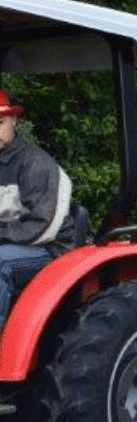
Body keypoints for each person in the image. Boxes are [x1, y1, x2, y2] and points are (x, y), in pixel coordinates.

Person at [0, 90, 77, 332]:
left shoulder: (36, 163)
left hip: (48, 247)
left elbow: (42, 225)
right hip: (11, 242)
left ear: (14, 121)